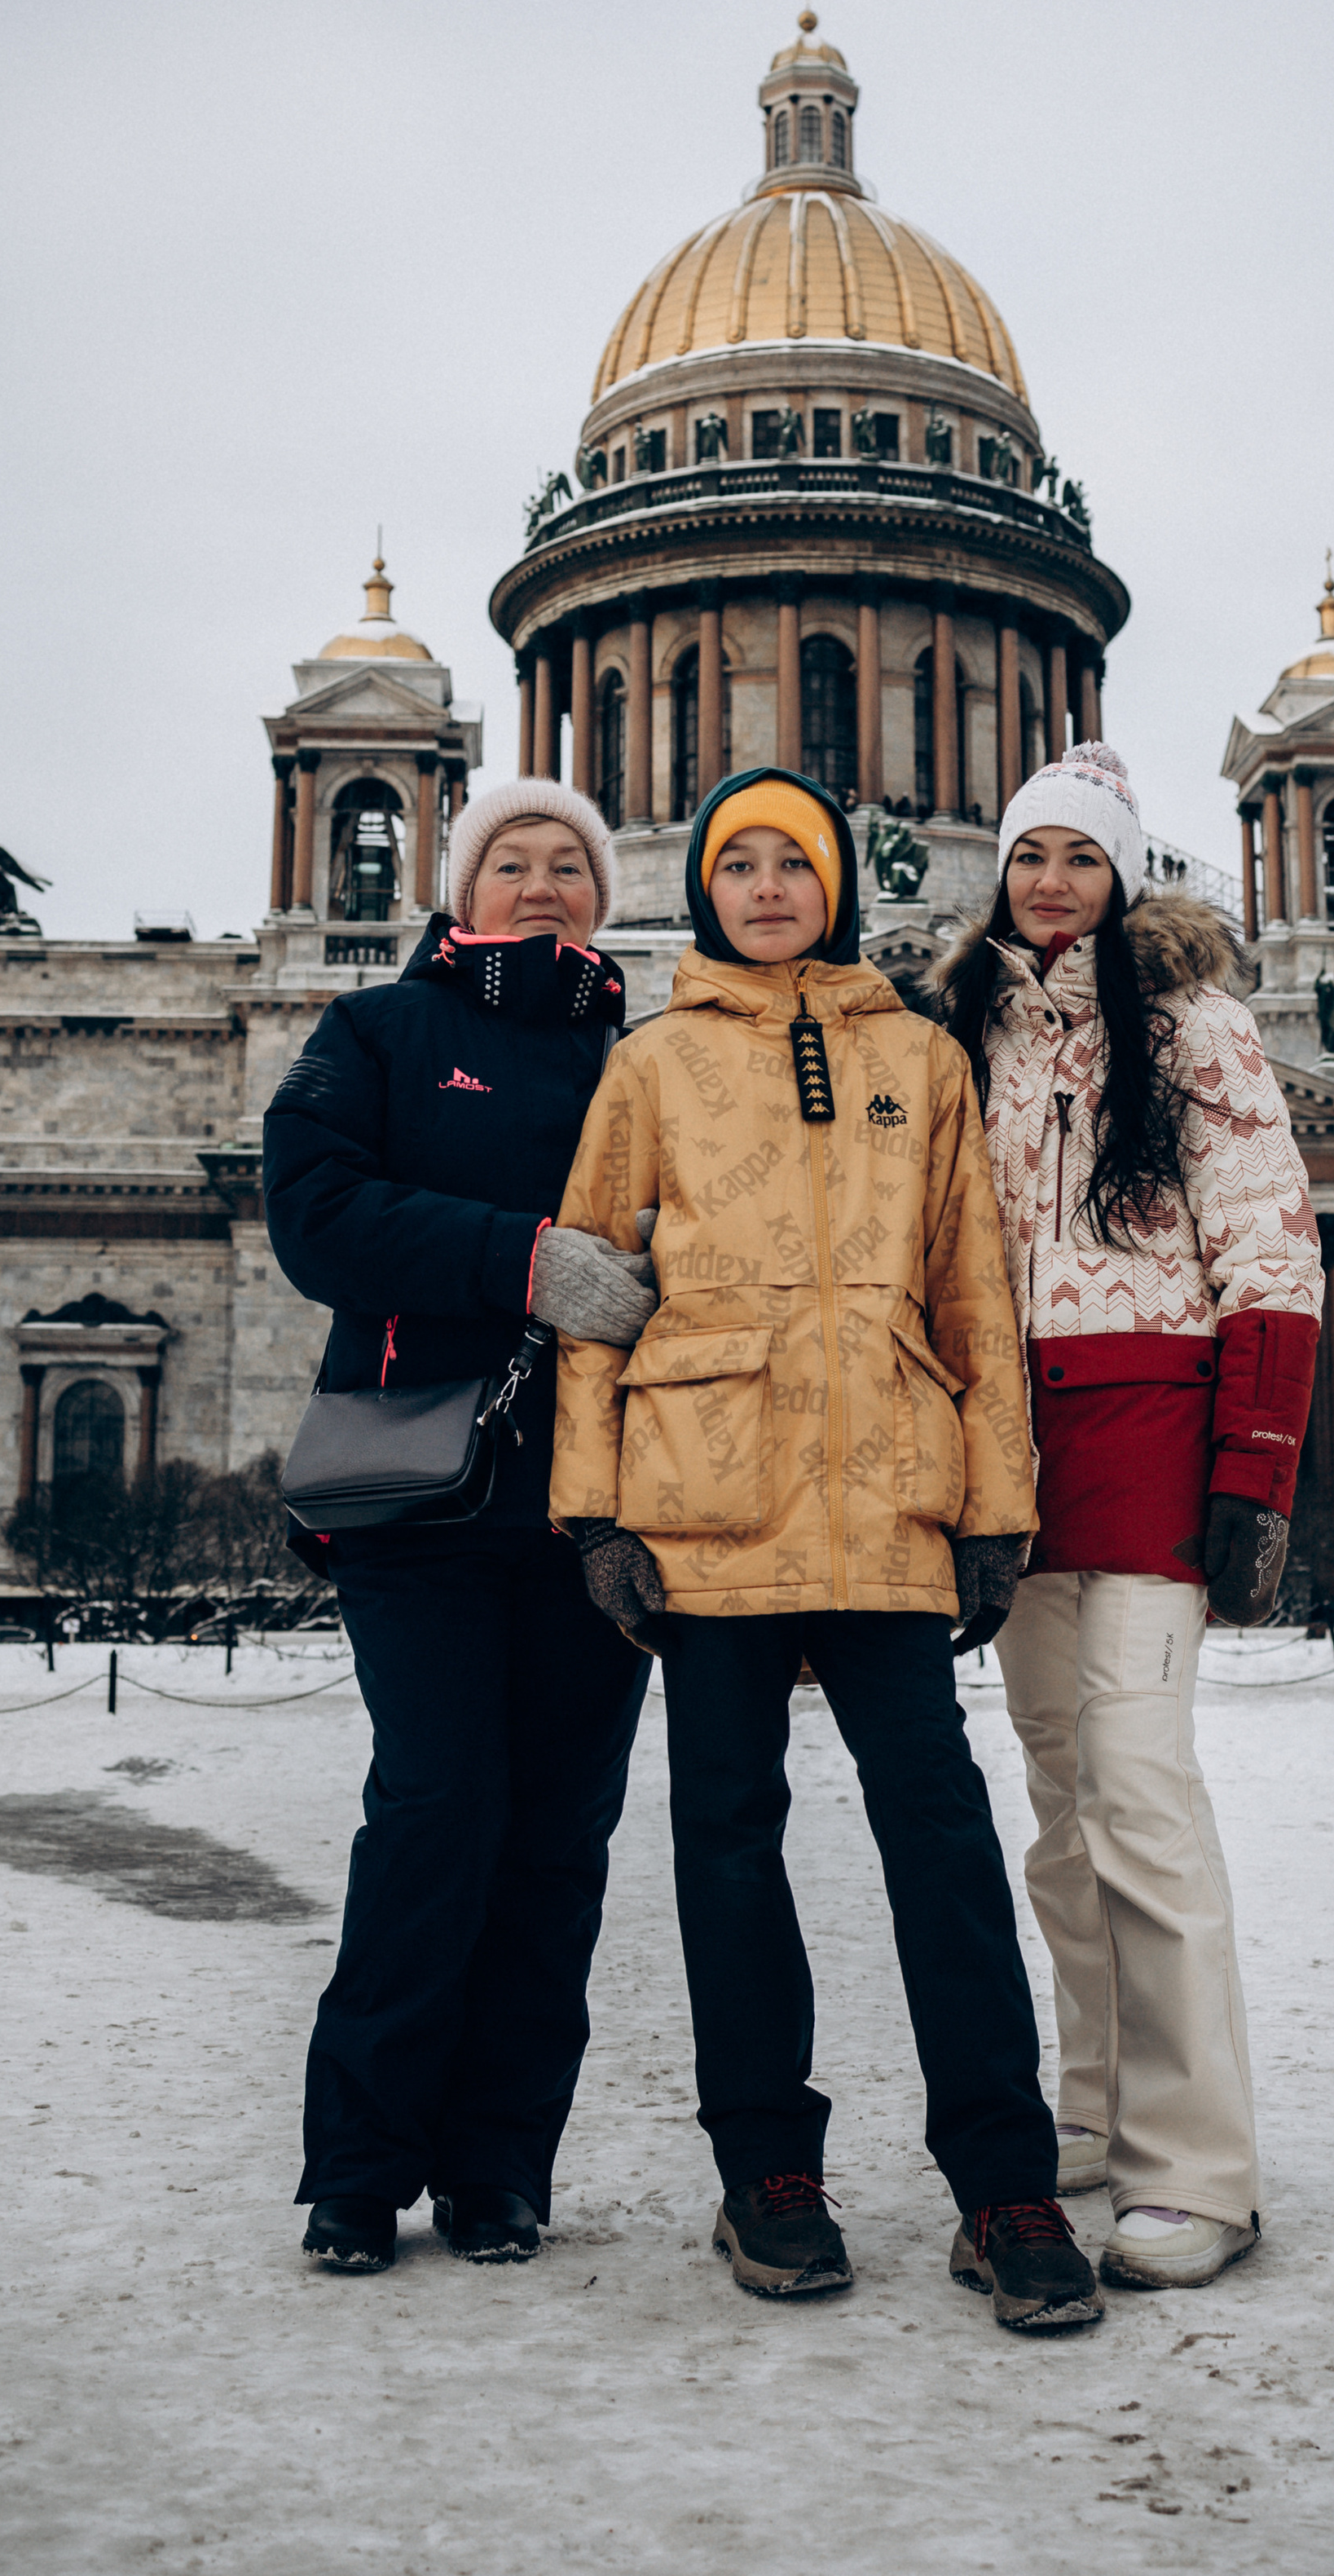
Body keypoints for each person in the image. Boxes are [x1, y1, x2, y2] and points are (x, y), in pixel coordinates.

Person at [549, 766, 1103, 2334]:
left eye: (797, 861)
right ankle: (767, 2177)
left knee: (941, 1845)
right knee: (726, 1849)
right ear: (709, 888)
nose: (770, 887)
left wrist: (997, 1512)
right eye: (742, 863)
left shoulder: (922, 1059)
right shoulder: (648, 1063)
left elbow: (971, 1295)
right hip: (708, 1497)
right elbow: (590, 1284)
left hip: (887, 1499)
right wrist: (594, 1511)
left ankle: (1006, 2186)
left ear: (838, 881)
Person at [939, 742, 1323, 2292]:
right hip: (1010, 1450)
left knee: (1143, 1796)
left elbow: (1274, 1245)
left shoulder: (1197, 1025)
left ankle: (1197, 2165)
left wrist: (1258, 1472)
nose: (1050, 884)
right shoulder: (960, 1026)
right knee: (1057, 1807)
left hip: (1152, 1436)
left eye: (1081, 859)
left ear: (1126, 875)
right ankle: (1088, 2110)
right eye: (1029, 857)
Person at [264, 780, 661, 2275]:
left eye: (572, 863)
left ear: (604, 894)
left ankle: (501, 2166)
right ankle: (360, 2170)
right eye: (516, 859)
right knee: (437, 1814)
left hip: (598, 1505)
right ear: (464, 883)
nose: (545, 882)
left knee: (561, 1840)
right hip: (421, 1489)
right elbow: (317, 1217)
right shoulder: (375, 1033)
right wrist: (524, 1262)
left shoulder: (650, 1057)